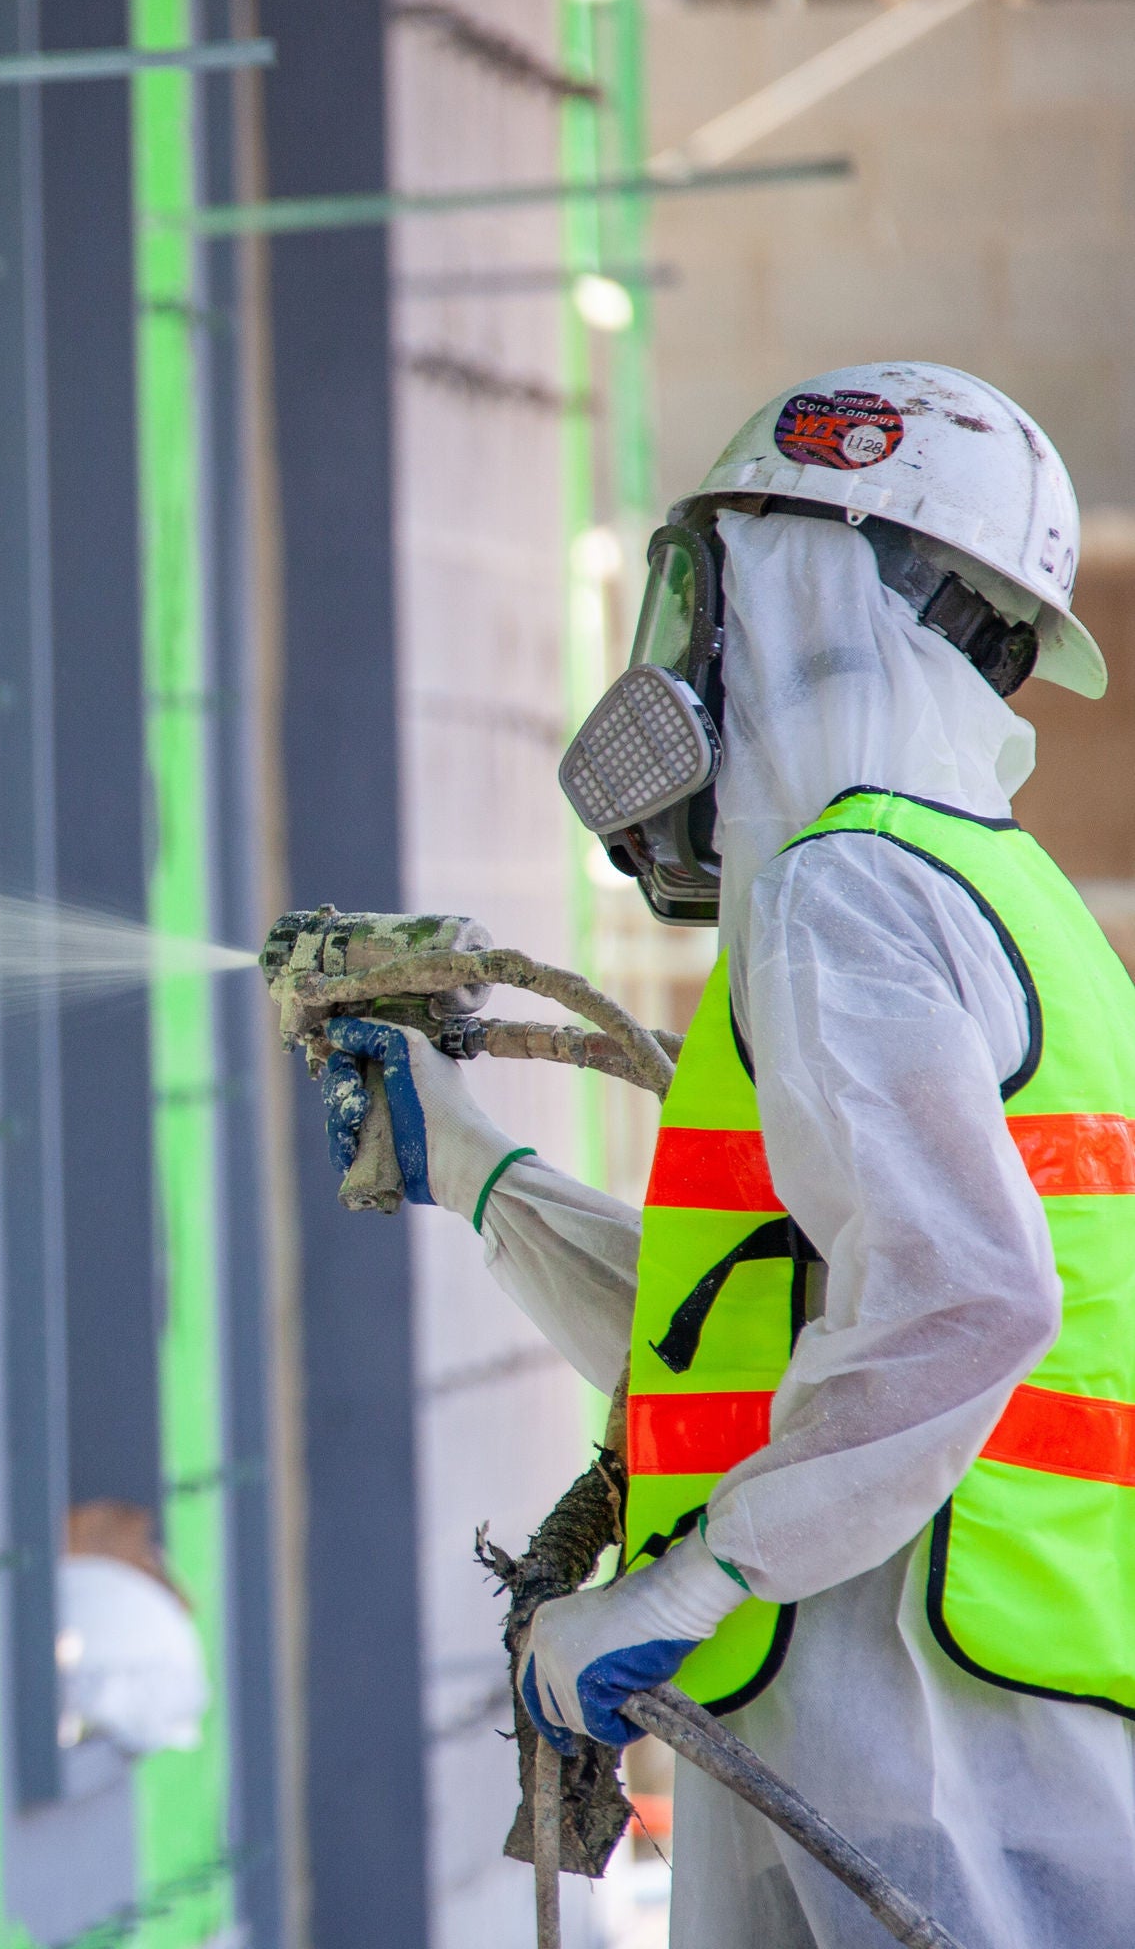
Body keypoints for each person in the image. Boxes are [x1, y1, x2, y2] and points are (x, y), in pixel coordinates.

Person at [323, 363, 1135, 1945]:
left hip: (911, 1709)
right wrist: (487, 1173)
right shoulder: (988, 894)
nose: (695, 647)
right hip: (956, 1703)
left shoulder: (852, 892)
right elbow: (776, 1327)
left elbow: (965, 1307)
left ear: (821, 588)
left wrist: (682, 1592)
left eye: (718, 585)